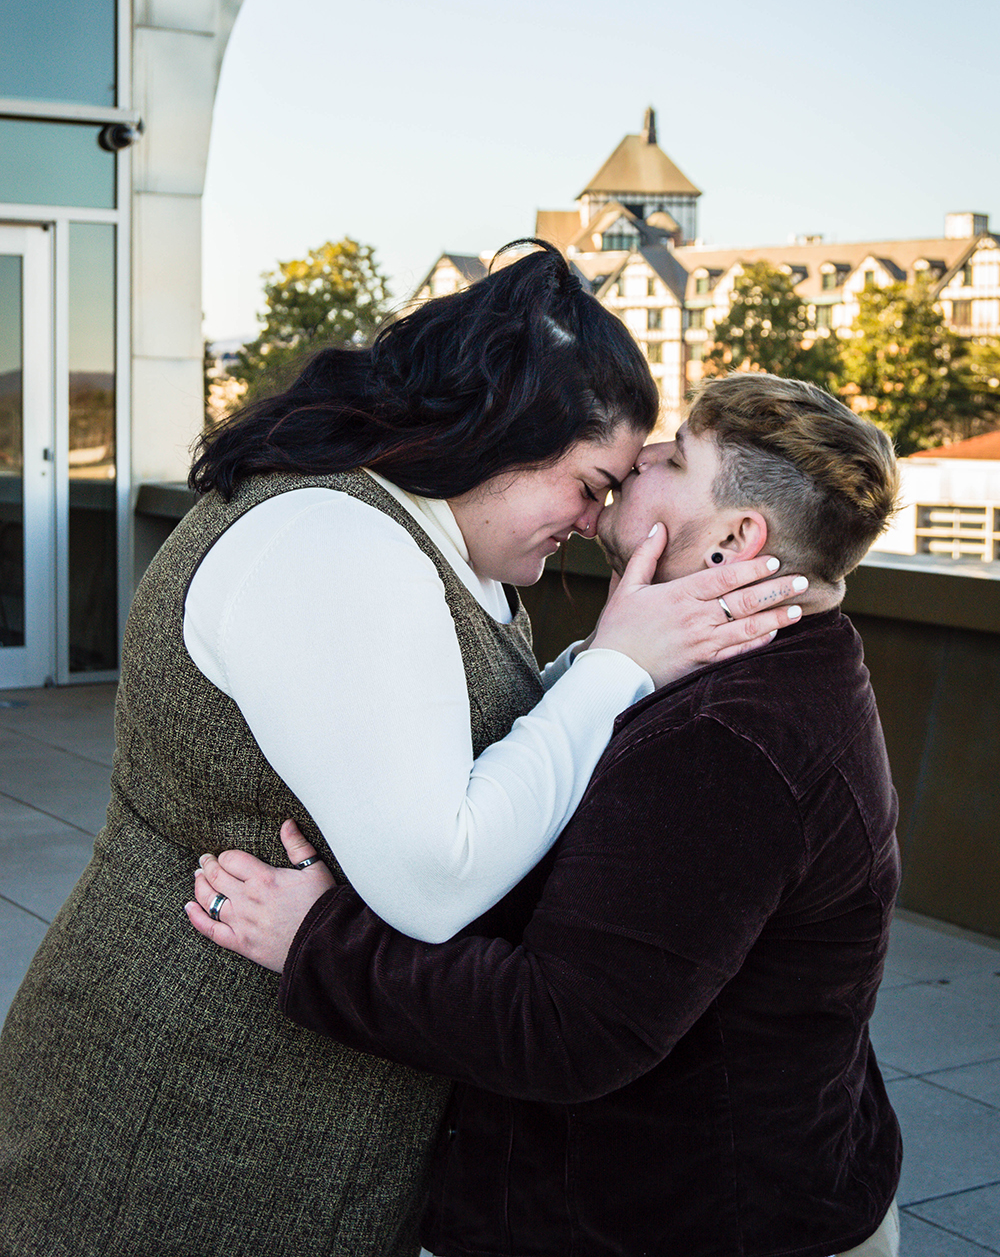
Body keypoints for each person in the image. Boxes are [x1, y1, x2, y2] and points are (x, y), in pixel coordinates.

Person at [0, 247, 802, 1257]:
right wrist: (614, 671)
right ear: (504, 431)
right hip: (177, 1120)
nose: (599, 520)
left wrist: (601, 662)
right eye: (589, 484)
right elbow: (433, 878)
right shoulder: (331, 544)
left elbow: (463, 732)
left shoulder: (433, 541)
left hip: (295, 1122)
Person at [189, 371, 904, 1257]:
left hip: (680, 1224)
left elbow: (566, 1029)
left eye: (674, 457)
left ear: (733, 540)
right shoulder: (780, 665)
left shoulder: (732, 742)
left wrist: (317, 944)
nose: (636, 458)